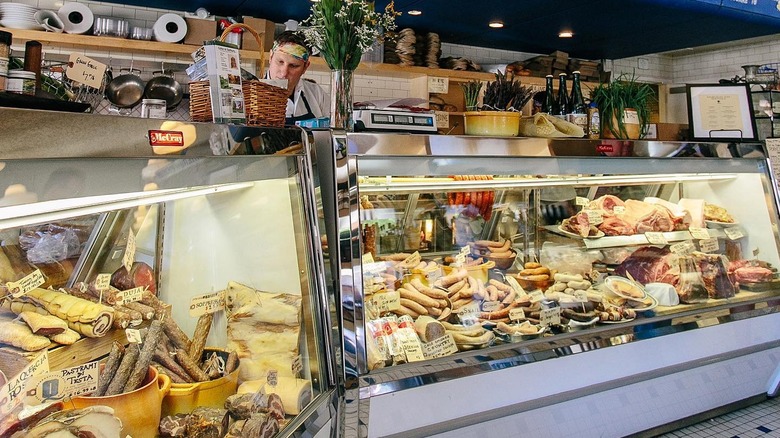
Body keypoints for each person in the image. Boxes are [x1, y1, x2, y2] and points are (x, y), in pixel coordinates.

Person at [267, 31, 330, 125]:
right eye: (280, 62)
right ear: (270, 57)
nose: (284, 73)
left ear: (305, 67)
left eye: (293, 66)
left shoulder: (317, 94)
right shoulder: (250, 95)